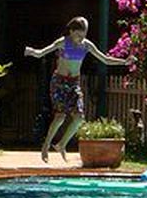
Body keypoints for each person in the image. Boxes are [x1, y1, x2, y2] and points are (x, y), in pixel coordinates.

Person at [23, 16, 127, 161]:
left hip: (74, 83)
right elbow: (42, 52)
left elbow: (105, 59)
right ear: (71, 31)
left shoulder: (87, 45)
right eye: (78, 34)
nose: (80, 38)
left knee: (79, 119)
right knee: (60, 116)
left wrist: (124, 62)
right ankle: (46, 145)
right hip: (59, 82)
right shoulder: (63, 42)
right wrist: (33, 52)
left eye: (83, 34)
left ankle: (61, 145)